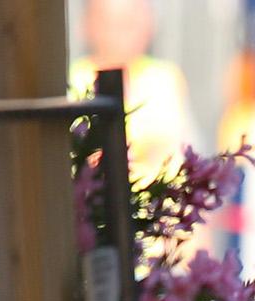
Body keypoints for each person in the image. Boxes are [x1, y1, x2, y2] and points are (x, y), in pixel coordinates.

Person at [69, 0, 196, 184]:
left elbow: (179, 149)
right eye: (114, 23)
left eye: (132, 22)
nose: (123, 35)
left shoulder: (165, 79)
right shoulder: (75, 80)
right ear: (88, 25)